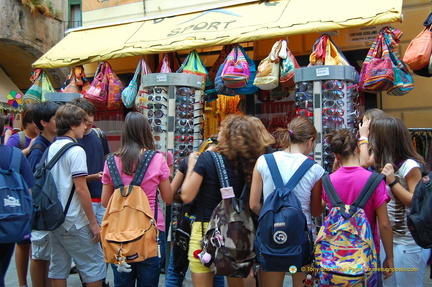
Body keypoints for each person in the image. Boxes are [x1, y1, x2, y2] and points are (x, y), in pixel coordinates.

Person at [180, 114, 272, 287]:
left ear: (229, 135)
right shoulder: (252, 163)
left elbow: (186, 195)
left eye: (222, 128)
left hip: (205, 232)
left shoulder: (207, 159)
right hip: (237, 233)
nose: (218, 132)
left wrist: (192, 165)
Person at [249, 116, 325, 287]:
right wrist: (324, 203)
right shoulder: (315, 169)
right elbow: (315, 211)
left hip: (271, 238)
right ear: (310, 141)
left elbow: (253, 204)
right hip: (302, 240)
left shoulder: (263, 161)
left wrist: (274, 220)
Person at [101, 112, 173, 287]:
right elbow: (168, 198)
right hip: (151, 231)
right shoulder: (158, 159)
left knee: (122, 281)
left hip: (118, 234)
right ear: (146, 132)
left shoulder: (111, 161)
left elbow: (105, 201)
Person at [322, 129, 394, 285]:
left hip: (334, 258)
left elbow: (321, 210)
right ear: (359, 149)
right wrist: (389, 257)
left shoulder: (327, 181)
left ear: (336, 155)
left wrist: (334, 171)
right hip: (366, 256)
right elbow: (384, 224)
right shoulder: (375, 180)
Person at [47, 104, 106, 287]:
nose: (86, 126)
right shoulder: (76, 150)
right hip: (75, 219)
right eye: (82, 122)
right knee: (94, 266)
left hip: (55, 218)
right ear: (73, 125)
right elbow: (81, 189)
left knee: (58, 267)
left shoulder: (53, 147)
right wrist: (94, 224)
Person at [370, 116, 431, 287]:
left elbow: (415, 202)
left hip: (408, 242)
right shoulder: (387, 162)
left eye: (375, 136)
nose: (371, 140)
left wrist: (393, 182)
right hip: (390, 240)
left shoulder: (410, 165)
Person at [165, 135, 225, 287]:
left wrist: (183, 199)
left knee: (175, 269)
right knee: (216, 270)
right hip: (212, 223)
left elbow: (170, 194)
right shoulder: (222, 165)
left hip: (187, 221)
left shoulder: (188, 162)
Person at [5, 103, 39, 287]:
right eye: (35, 122)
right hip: (18, 197)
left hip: (35, 196)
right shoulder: (17, 139)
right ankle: (22, 283)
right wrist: (29, 149)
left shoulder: (44, 137)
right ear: (27, 121)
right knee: (23, 244)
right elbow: (9, 158)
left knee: (35, 245)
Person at [27, 101, 60, 287]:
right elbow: (33, 183)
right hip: (40, 211)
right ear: (44, 122)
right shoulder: (38, 149)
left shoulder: (52, 143)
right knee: (39, 256)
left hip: (47, 209)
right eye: (56, 118)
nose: (60, 121)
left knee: (46, 256)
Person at [70, 98, 110, 226]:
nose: (90, 121)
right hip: (83, 200)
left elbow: (106, 160)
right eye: (86, 118)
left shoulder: (100, 135)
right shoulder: (71, 141)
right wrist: (91, 177)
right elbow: (69, 178)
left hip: (103, 197)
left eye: (92, 115)